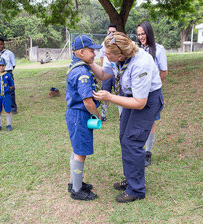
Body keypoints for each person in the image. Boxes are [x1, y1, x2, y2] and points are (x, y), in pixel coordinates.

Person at [89, 32, 164, 203]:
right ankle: (131, 179)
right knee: (124, 138)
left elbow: (139, 103)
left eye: (108, 55)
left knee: (133, 140)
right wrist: (90, 63)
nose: (104, 56)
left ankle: (136, 190)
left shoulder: (141, 63)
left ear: (121, 54)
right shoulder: (113, 53)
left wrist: (109, 97)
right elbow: (104, 74)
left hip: (146, 100)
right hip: (130, 96)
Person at [66, 35, 102, 201]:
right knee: (80, 152)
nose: (94, 54)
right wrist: (97, 115)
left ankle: (75, 183)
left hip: (74, 115)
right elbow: (87, 101)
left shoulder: (77, 66)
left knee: (77, 149)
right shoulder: (82, 73)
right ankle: (77, 190)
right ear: (81, 52)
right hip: (80, 116)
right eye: (91, 50)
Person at [137, 21, 168, 167]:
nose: (141, 37)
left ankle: (147, 153)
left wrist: (150, 85)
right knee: (138, 122)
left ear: (149, 33)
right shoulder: (136, 49)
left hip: (152, 94)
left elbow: (164, 72)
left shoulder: (159, 50)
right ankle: (138, 150)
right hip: (138, 94)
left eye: (143, 34)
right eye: (138, 34)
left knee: (151, 123)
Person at [0, 38, 17, 115]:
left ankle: (12, 108)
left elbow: (13, 64)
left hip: (7, 72)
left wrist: (7, 73)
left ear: (4, 44)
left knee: (10, 90)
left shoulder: (9, 53)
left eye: (1, 44)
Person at [98, 24, 117, 121]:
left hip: (117, 74)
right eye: (110, 32)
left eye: (114, 32)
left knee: (119, 94)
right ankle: (103, 115)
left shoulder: (118, 44)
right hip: (107, 74)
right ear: (107, 32)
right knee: (105, 94)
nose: (111, 34)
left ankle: (122, 115)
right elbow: (101, 58)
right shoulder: (103, 44)